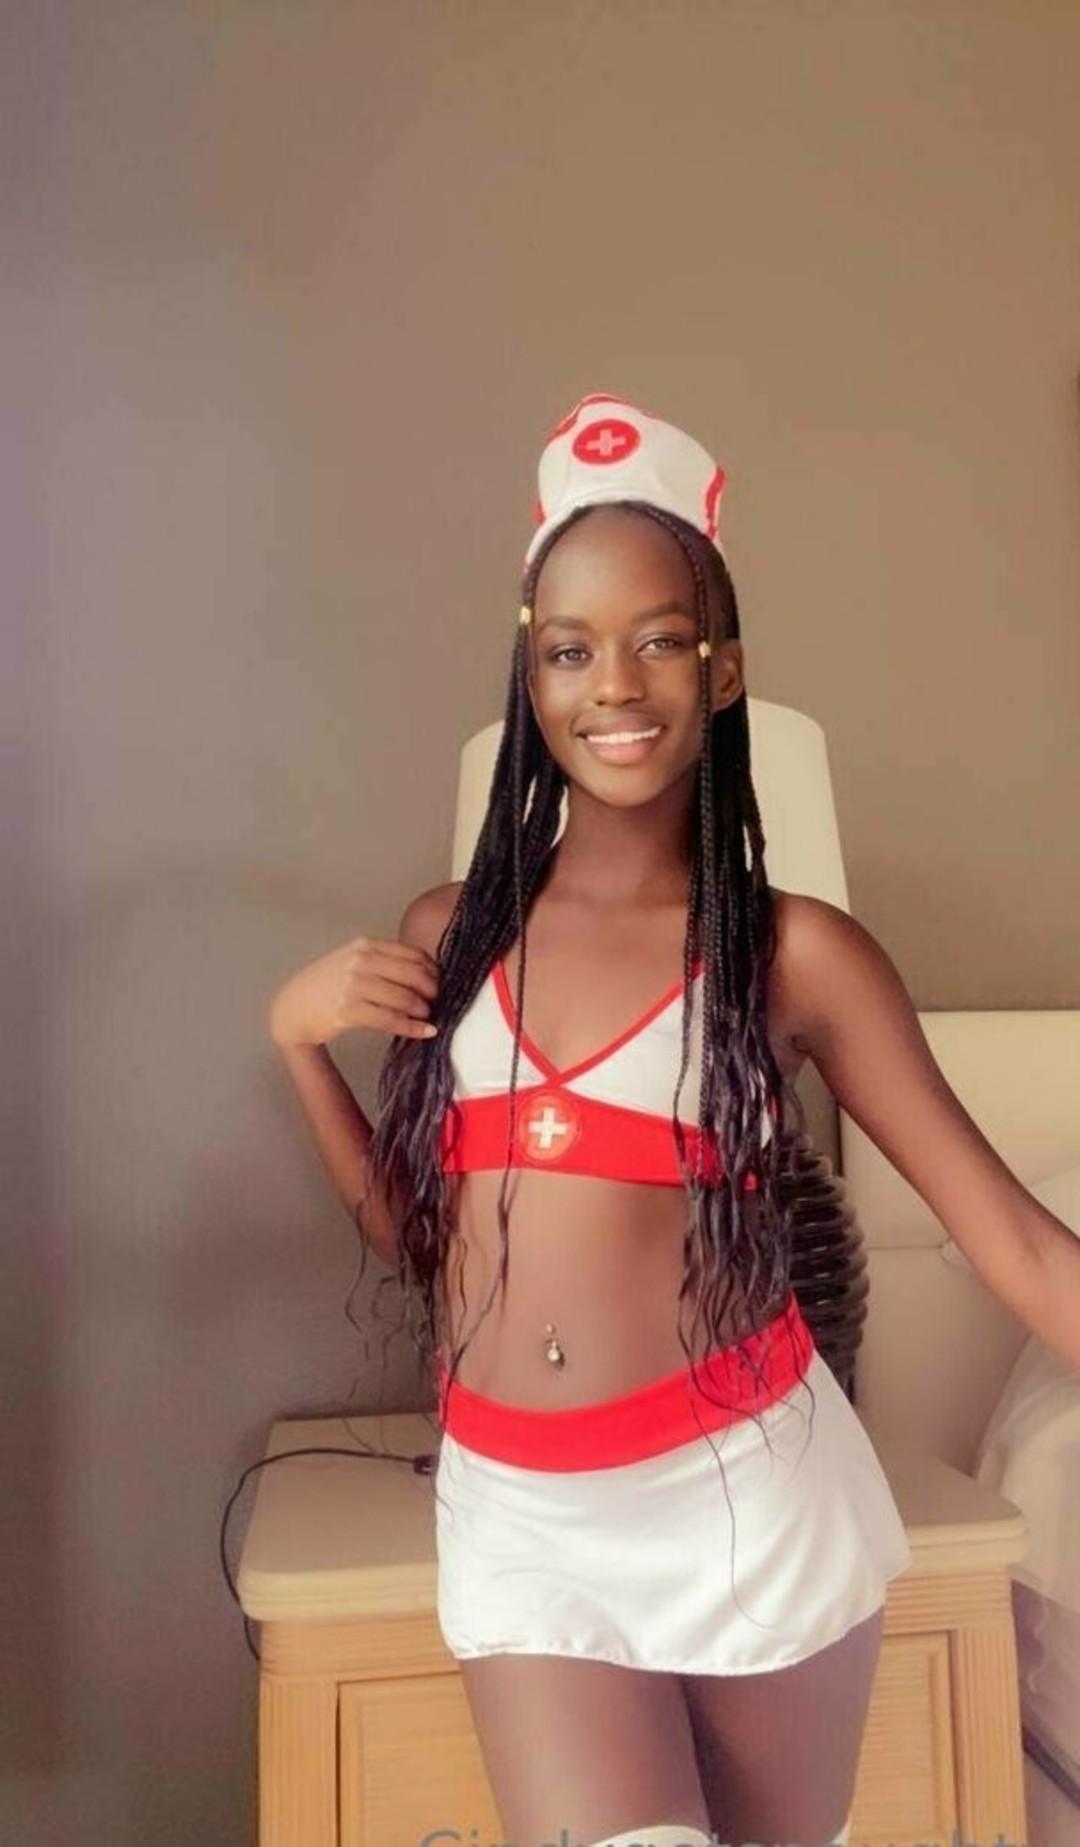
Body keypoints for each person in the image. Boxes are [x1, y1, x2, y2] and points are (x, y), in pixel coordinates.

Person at [267, 392, 914, 1847]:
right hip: (518, 1515)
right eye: (569, 648)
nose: (613, 684)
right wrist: (298, 1047)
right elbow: (425, 1243)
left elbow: (1009, 1240)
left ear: (723, 668)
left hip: (746, 1500)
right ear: (532, 674)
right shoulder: (450, 934)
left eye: (660, 639)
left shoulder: (793, 954)